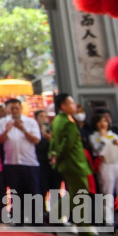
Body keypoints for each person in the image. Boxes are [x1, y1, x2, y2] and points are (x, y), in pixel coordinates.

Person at [49, 93, 92, 228]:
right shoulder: (68, 122)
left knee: (75, 194)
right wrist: (58, 157)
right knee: (80, 195)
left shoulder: (57, 120)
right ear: (63, 105)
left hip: (69, 164)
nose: (74, 106)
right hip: (74, 163)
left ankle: (54, 215)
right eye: (71, 103)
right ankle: (84, 228)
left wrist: (54, 155)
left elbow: (55, 142)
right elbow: (66, 145)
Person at [0, 98, 41, 222]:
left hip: (29, 162)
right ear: (7, 110)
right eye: (11, 108)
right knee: (15, 192)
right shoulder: (2, 123)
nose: (14, 111)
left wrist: (23, 129)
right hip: (11, 162)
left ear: (21, 108)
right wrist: (7, 130)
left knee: (32, 190)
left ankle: (35, 218)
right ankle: (17, 218)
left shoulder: (30, 122)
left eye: (16, 108)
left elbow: (36, 140)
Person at [89, 113, 118, 225]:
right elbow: (98, 150)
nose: (103, 124)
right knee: (108, 193)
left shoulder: (113, 135)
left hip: (116, 163)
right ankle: (109, 221)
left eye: (105, 121)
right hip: (105, 165)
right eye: (100, 121)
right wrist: (103, 137)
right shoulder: (94, 137)